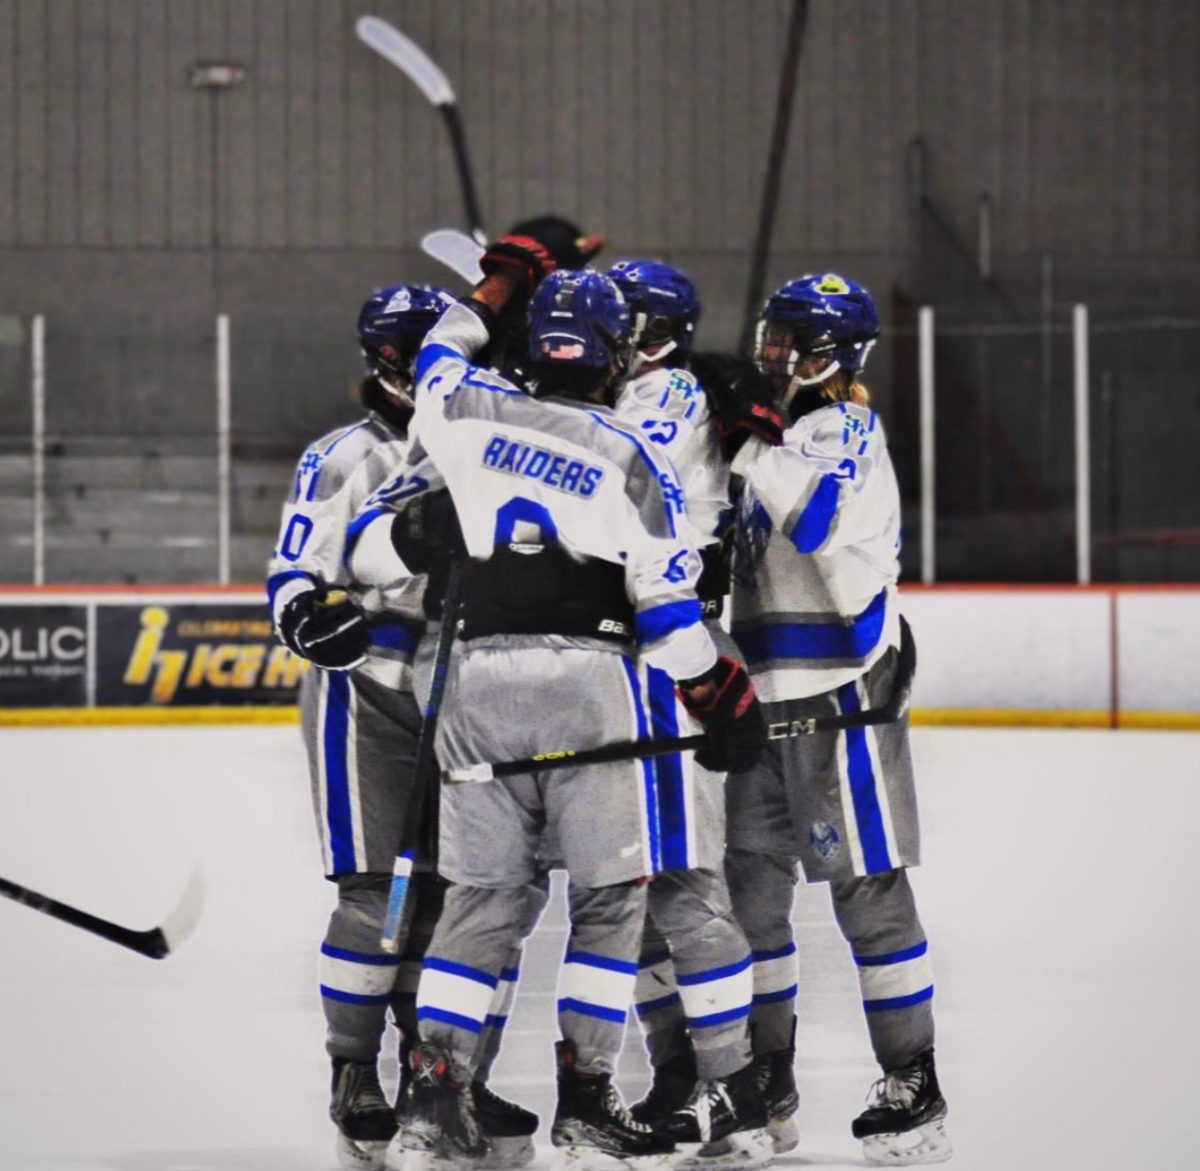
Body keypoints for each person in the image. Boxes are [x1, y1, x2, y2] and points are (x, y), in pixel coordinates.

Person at [363, 241, 767, 1171]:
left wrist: (499, 278)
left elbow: (443, 342)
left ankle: (432, 1106)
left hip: (473, 681)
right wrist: (721, 695)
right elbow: (667, 619)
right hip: (593, 688)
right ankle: (589, 1104)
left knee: (480, 902)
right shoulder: (625, 451)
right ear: (611, 353)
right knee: (608, 903)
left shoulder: (460, 405)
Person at [267, 284, 536, 1171]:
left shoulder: (487, 437)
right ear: (383, 364)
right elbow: (295, 567)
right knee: (377, 895)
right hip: (370, 697)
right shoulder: (347, 456)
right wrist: (306, 611)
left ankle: (447, 1079)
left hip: (472, 701)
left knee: (472, 900)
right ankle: (355, 1072)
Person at [709, 273, 952, 1166]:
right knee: (751, 902)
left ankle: (913, 1079)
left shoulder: (844, 427)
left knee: (867, 888)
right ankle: (767, 1082)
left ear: (839, 354)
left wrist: (742, 442)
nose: (778, 355)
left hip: (842, 699)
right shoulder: (774, 433)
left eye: (798, 342)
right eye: (774, 336)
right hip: (757, 700)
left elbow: (813, 517)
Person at [604, 259, 770, 1162]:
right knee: (624, 882)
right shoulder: (630, 388)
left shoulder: (667, 393)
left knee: (685, 880)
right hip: (617, 656)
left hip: (676, 649)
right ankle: (680, 1073)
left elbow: (620, 482)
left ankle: (731, 1087)